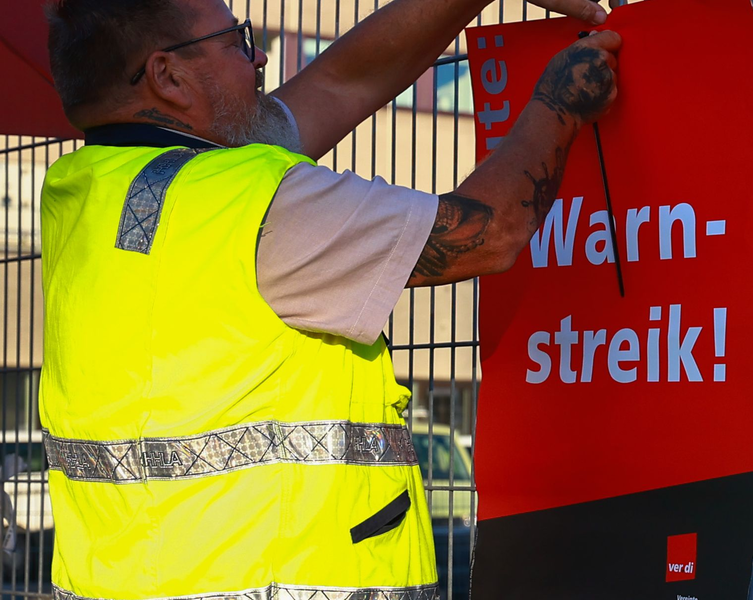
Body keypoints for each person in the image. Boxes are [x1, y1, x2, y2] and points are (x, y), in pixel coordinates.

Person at [40, 0, 621, 598]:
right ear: (168, 76)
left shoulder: (83, 192)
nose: (261, 55)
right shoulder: (257, 205)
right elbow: (491, 233)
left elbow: (346, 80)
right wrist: (557, 104)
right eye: (238, 40)